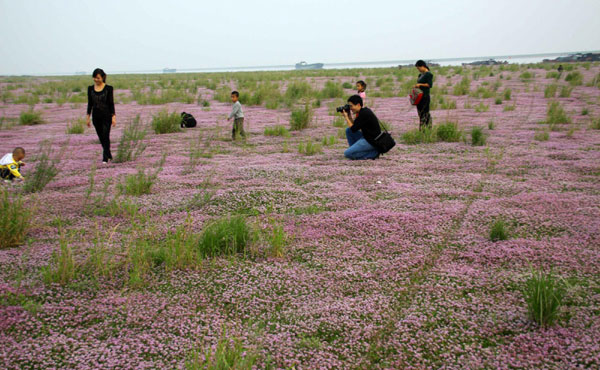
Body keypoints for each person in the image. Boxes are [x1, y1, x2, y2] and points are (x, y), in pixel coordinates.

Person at [86, 68, 116, 163]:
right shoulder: (90, 89)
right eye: (94, 78)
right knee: (101, 137)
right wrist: (87, 117)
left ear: (102, 77)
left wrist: (113, 116)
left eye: (98, 78)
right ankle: (108, 152)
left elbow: (111, 103)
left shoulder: (108, 88)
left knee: (106, 135)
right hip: (96, 117)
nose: (96, 80)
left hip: (106, 116)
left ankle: (105, 158)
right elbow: (90, 104)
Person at [340, 95, 381, 160]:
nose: (350, 108)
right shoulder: (363, 111)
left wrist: (346, 117)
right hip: (367, 137)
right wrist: (349, 117)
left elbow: (353, 128)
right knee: (348, 130)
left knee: (347, 154)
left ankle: (373, 154)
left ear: (358, 105)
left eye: (351, 106)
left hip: (372, 141)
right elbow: (354, 127)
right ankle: (355, 151)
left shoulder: (364, 114)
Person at [414, 60, 434, 129]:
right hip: (419, 97)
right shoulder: (420, 75)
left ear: (422, 66)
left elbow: (429, 85)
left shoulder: (428, 74)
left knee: (425, 113)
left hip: (425, 96)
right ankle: (422, 128)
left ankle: (428, 128)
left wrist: (420, 84)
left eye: (418, 68)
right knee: (420, 113)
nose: (418, 70)